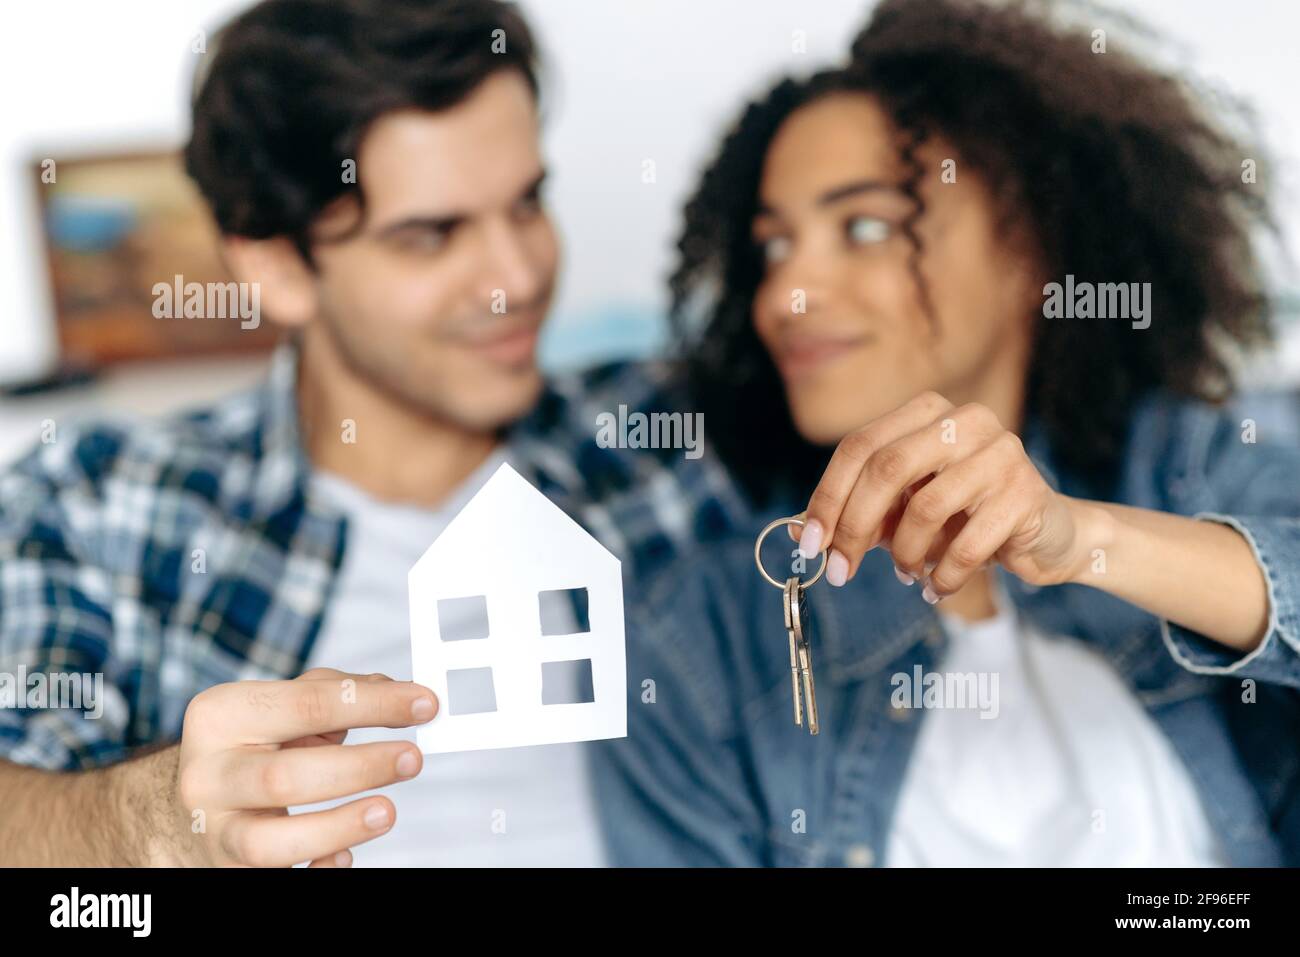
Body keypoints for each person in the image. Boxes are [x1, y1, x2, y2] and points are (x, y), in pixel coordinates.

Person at [0, 0, 746, 867]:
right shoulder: (100, 501)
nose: (519, 274)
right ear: (276, 268)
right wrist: (156, 824)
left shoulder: (676, 437)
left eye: (528, 202)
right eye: (432, 236)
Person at [594, 0, 1300, 866]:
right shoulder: (700, 639)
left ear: (1030, 243)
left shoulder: (1198, 466)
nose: (786, 298)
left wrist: (1087, 539)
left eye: (864, 227)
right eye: (774, 250)